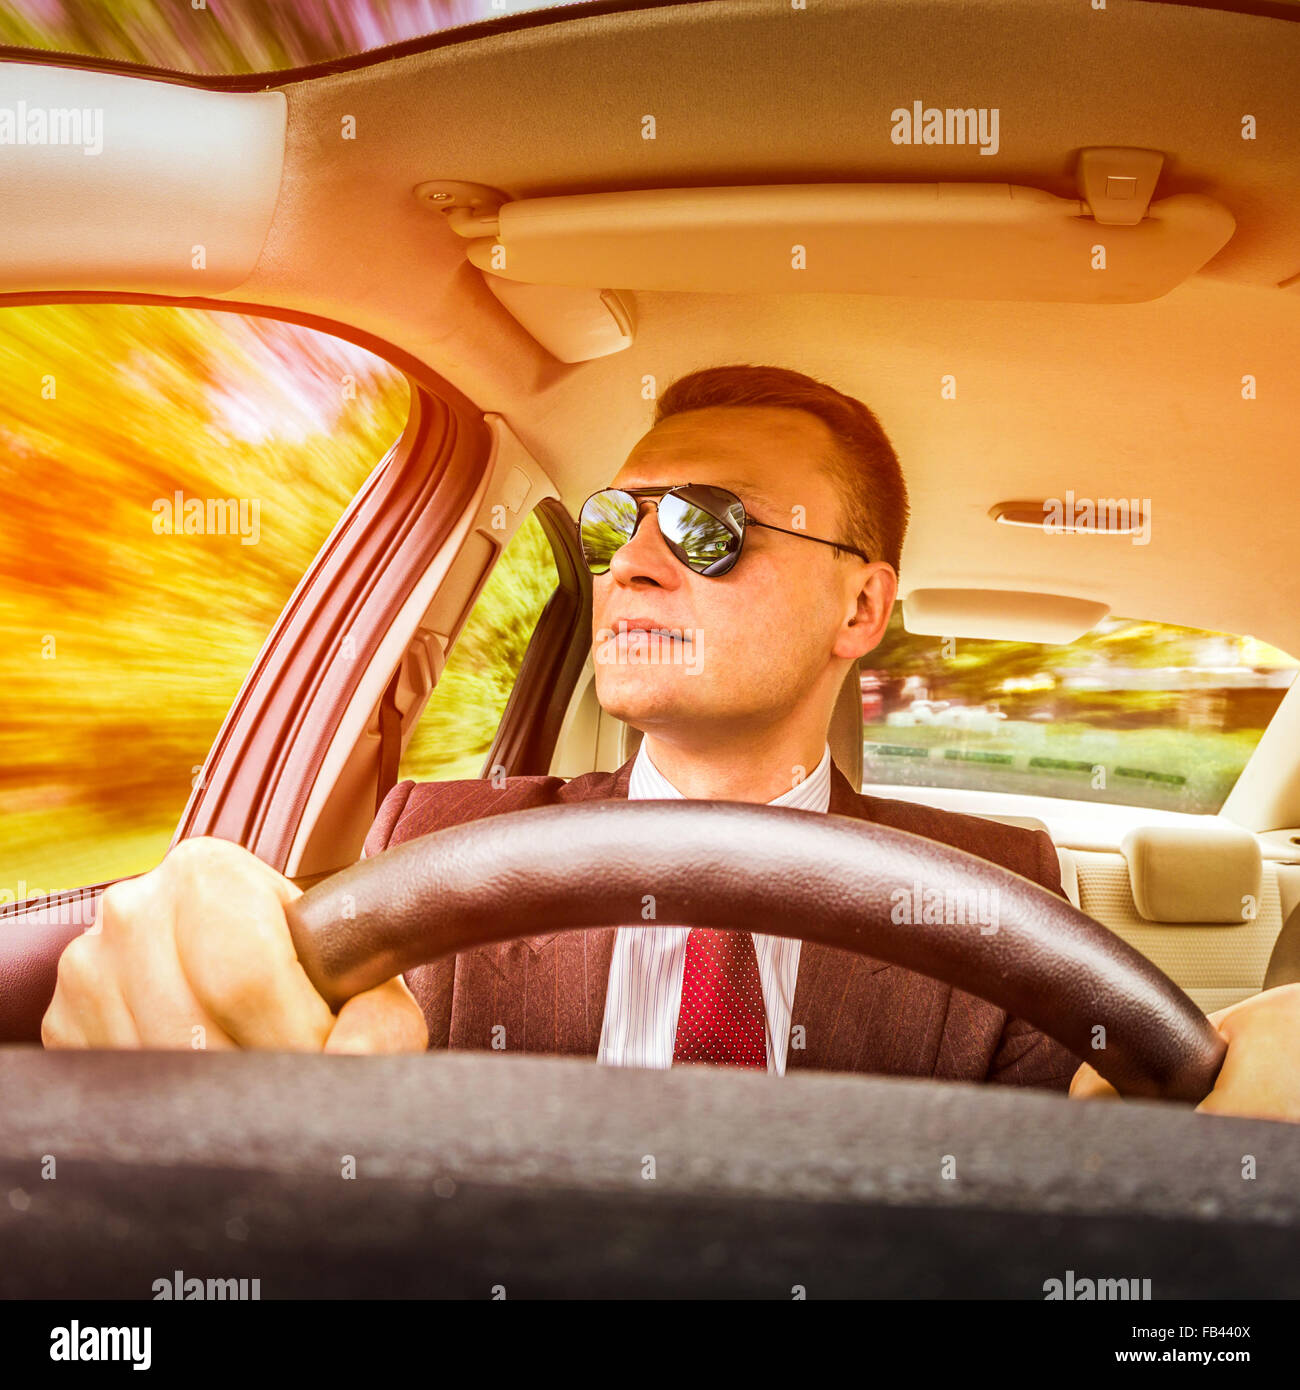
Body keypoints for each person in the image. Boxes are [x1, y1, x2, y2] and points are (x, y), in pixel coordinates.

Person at [42, 366, 1300, 1120]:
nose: (633, 564)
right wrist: (191, 953)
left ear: (860, 608)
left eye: (709, 527)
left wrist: (1221, 1120)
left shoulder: (1002, 885)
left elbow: (1086, 1155)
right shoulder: (438, 838)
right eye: (615, 523)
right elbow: (300, 1048)